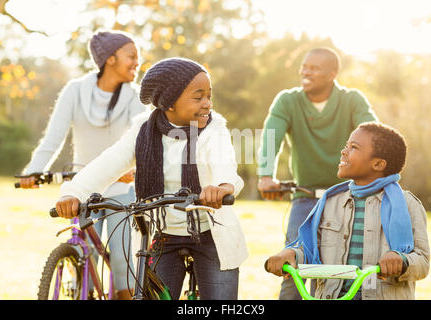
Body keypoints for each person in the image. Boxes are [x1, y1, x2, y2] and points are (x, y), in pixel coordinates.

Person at [54, 57, 248, 300]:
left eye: (209, 96)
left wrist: (222, 187)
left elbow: (224, 163)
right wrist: (74, 193)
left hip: (210, 233)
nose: (208, 104)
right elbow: (108, 163)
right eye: (198, 97)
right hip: (162, 233)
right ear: (169, 103)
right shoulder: (143, 130)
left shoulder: (213, 130)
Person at [19, 30, 146, 299]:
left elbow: (141, 141)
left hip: (121, 189)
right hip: (82, 189)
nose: (138, 62)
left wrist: (134, 169)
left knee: (124, 265)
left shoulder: (136, 96)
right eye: (131, 56)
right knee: (84, 256)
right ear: (110, 59)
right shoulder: (75, 90)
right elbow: (53, 138)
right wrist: (33, 170)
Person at [257, 47, 378, 299]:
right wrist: (266, 174)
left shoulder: (352, 100)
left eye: (314, 68)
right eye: (304, 66)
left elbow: (373, 136)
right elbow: (271, 136)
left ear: (332, 74)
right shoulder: (288, 100)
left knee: (346, 269)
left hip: (349, 198)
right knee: (292, 267)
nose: (305, 72)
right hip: (305, 197)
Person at [266, 122, 430, 300]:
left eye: (354, 147)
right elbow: (311, 250)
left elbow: (422, 262)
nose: (344, 151)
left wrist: (402, 261)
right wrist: (291, 254)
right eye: (346, 146)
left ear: (378, 164)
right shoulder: (329, 202)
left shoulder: (408, 205)